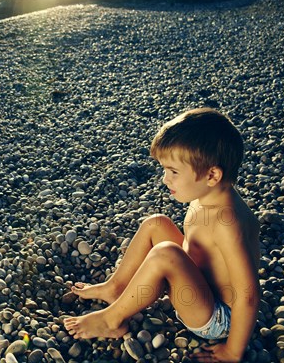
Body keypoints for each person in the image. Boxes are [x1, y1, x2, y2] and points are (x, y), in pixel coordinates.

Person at [64, 108, 260, 362]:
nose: (165, 179)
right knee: (156, 223)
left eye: (174, 172)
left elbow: (248, 293)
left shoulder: (227, 222)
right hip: (199, 283)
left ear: (212, 175)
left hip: (217, 317)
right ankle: (116, 288)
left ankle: (111, 320)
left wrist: (233, 350)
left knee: (166, 254)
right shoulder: (209, 195)